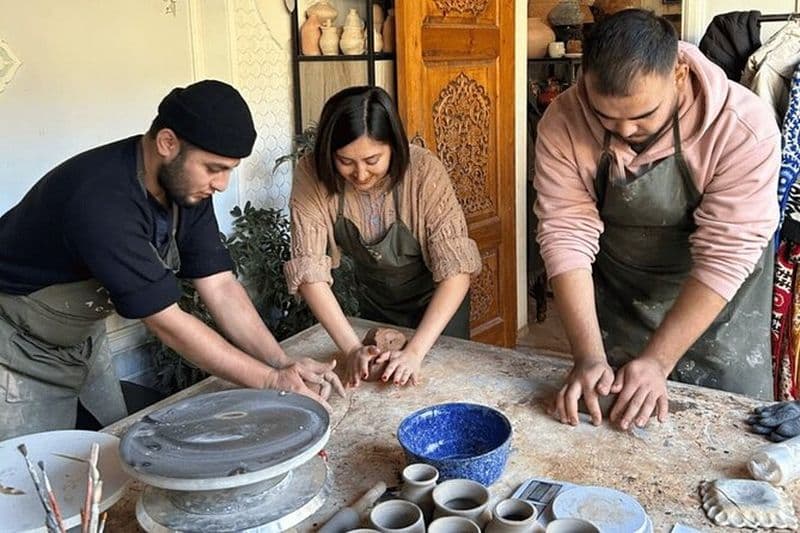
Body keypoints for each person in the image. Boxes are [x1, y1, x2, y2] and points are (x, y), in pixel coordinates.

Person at [0, 80, 343, 441]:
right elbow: (166, 321)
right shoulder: (102, 200)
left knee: (112, 443)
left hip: (81, 338)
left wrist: (281, 362)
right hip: (16, 346)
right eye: (213, 168)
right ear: (167, 143)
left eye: (229, 169)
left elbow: (220, 286)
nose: (222, 184)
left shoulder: (184, 188)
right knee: (27, 466)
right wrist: (271, 381)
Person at [534, 10, 780, 430]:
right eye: (606, 117)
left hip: (718, 312)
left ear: (679, 75)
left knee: (724, 437)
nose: (625, 130)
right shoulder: (564, 120)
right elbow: (565, 232)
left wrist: (659, 360)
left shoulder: (743, 126)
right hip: (623, 301)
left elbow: (724, 256)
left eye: (643, 115)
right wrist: (588, 355)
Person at [285, 86, 482, 388]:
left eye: (372, 160)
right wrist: (352, 349)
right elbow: (308, 271)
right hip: (377, 304)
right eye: (345, 162)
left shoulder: (424, 171)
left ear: (394, 146)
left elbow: (456, 272)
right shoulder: (312, 173)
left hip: (438, 305)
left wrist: (415, 351)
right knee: (381, 389)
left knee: (439, 389)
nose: (360, 174)